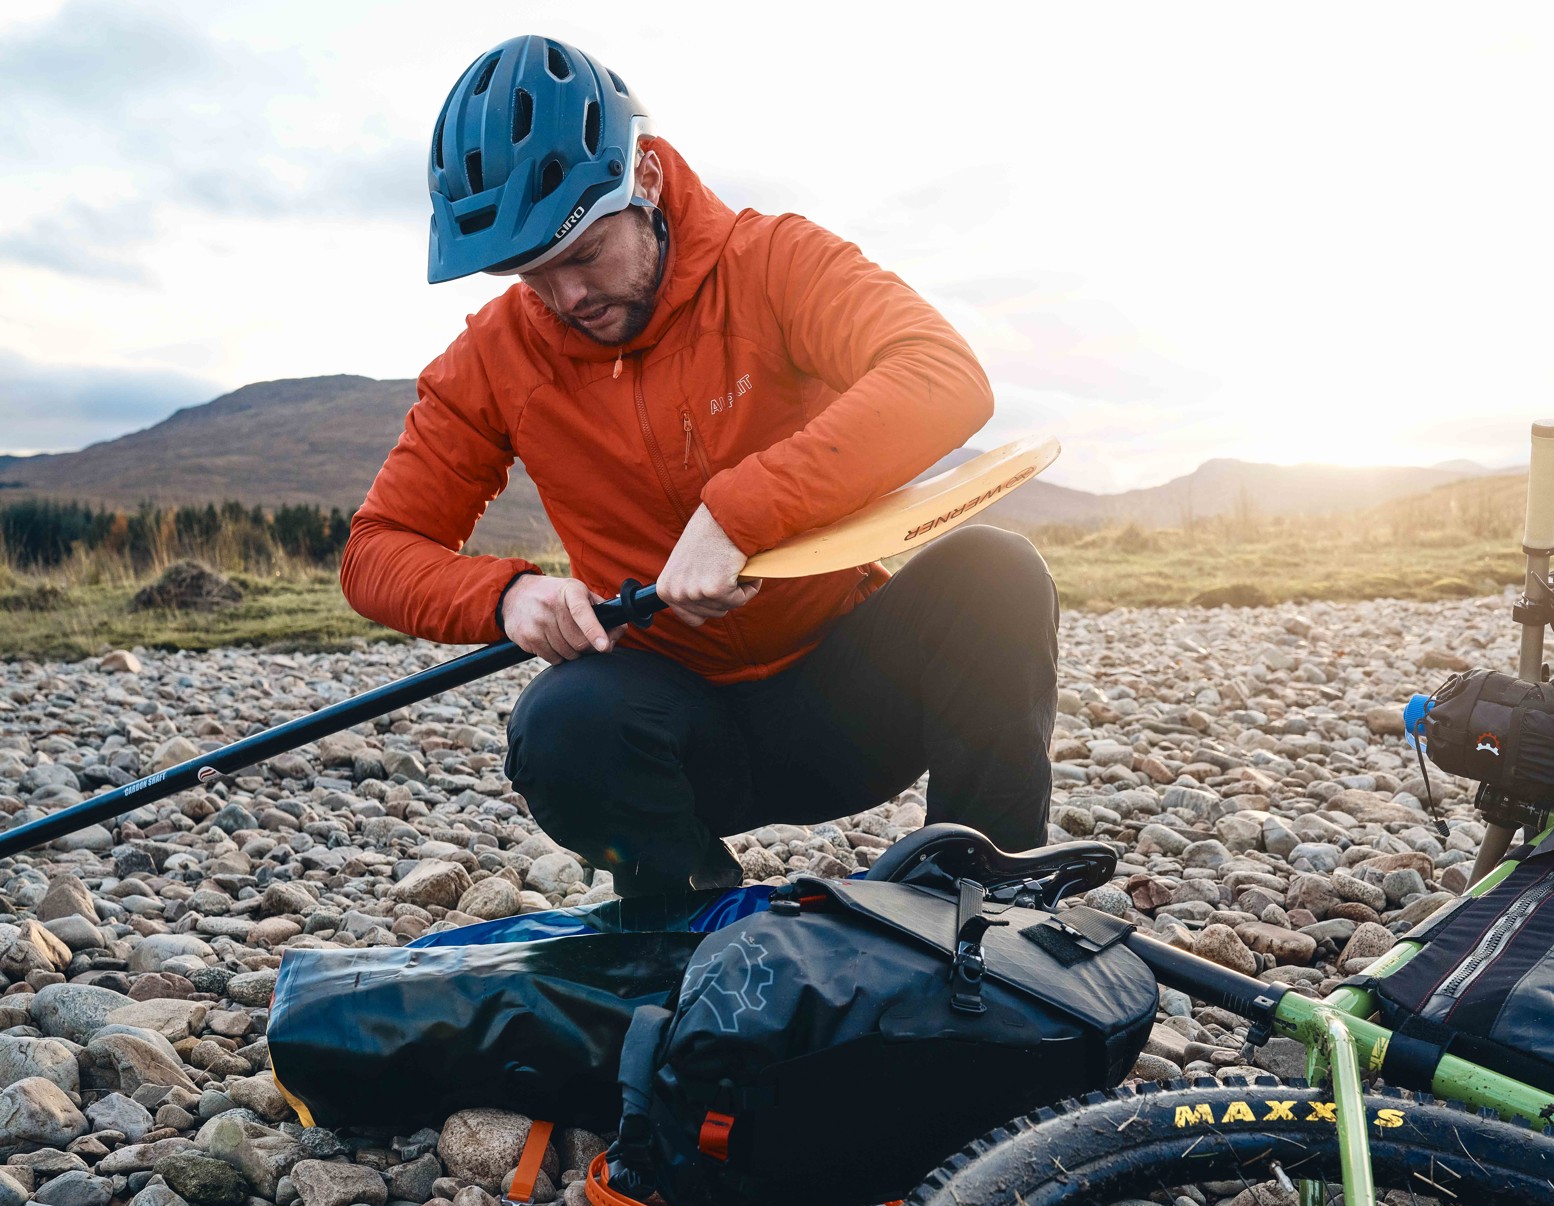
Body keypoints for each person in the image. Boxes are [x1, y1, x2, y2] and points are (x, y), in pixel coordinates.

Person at [340, 35, 1059, 903]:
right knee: (560, 721)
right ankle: (693, 927)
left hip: (849, 703)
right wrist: (508, 597)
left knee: (997, 575)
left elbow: (944, 377)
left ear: (641, 178)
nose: (566, 299)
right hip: (678, 735)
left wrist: (739, 513)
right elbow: (376, 550)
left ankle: (988, 904)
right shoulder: (495, 357)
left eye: (582, 255)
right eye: (531, 274)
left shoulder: (772, 261)